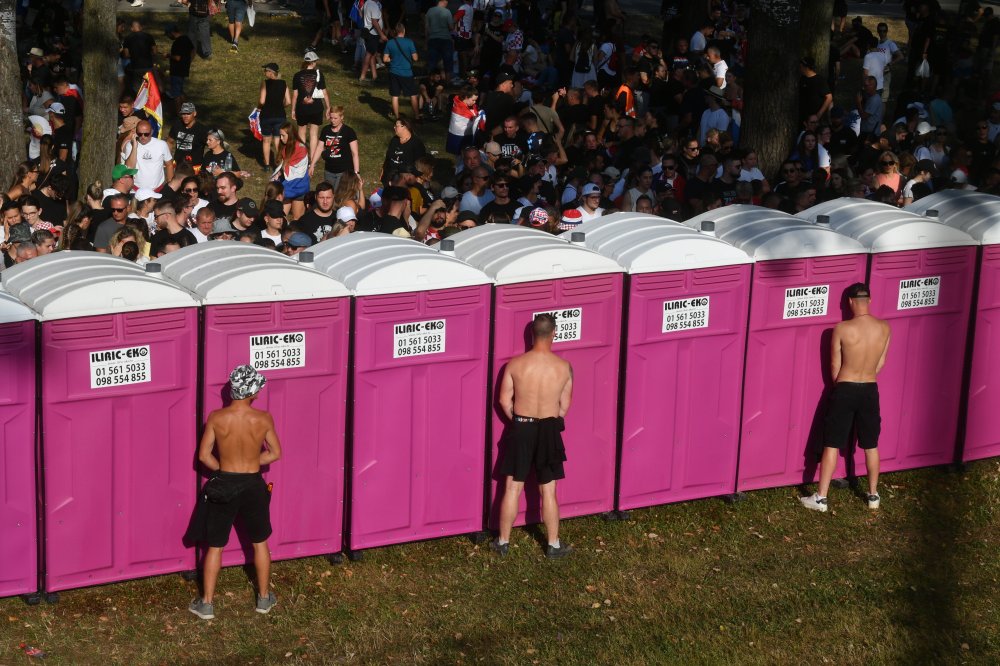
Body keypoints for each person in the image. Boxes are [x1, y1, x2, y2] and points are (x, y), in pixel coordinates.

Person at [188, 365, 282, 620]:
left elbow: (204, 456)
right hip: (253, 484)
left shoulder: (217, 418)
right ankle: (264, 598)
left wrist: (223, 469)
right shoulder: (263, 418)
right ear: (251, 390)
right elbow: (275, 453)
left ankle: (206, 604)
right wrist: (252, 462)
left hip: (225, 484)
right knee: (260, 542)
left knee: (215, 546)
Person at [801, 283, 890, 513]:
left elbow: (835, 366)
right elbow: (880, 362)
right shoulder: (884, 328)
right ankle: (873, 495)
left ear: (850, 302)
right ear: (869, 300)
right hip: (870, 388)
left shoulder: (841, 328)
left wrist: (841, 386)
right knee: (871, 444)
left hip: (845, 387)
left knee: (831, 443)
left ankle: (821, 498)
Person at [493, 313, 574, 559]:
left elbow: (504, 401)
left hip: (522, 425)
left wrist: (519, 421)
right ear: (554, 333)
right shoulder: (563, 367)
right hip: (549, 428)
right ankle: (553, 545)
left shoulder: (515, 365)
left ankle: (503, 542)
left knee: (512, 487)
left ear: (532, 334)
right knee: (548, 490)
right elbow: (564, 406)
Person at [291, 52, 330, 162]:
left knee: (301, 132)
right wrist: (328, 107)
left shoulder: (297, 75)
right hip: (316, 107)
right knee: (314, 134)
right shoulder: (319, 74)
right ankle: (312, 159)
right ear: (313, 62)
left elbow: (295, 95)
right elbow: (324, 93)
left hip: (301, 107)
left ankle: (302, 158)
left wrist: (293, 110)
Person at [311, 106, 360, 190]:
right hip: (329, 170)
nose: (333, 120)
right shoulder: (325, 130)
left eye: (335, 118)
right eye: (331, 118)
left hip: (344, 172)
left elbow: (355, 154)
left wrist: (357, 172)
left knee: (338, 194)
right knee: (330, 193)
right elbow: (319, 147)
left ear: (342, 117)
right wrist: (312, 164)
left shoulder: (349, 131)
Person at [383, 23, 421, 121]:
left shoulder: (390, 43)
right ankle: (417, 117)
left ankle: (397, 118)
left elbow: (385, 59)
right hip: (407, 73)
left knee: (395, 96)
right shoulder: (409, 42)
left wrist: (392, 59)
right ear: (404, 31)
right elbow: (415, 58)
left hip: (394, 72)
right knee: (413, 95)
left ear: (395, 31)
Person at [122, 120, 174, 192]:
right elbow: (129, 168)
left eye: (146, 134)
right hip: (136, 190)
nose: (143, 137)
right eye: (140, 134)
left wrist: (170, 186)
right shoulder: (130, 145)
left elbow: (169, 165)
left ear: (152, 132)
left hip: (158, 190)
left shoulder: (161, 144)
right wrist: (134, 147)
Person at [258, 63, 290, 171]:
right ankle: (281, 163)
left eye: (265, 71)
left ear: (270, 72)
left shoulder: (265, 83)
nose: (264, 73)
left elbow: (262, 101)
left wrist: (259, 107)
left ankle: (267, 165)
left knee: (266, 140)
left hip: (267, 115)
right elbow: (288, 101)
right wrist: (280, 106)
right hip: (280, 115)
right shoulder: (284, 83)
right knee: (278, 140)